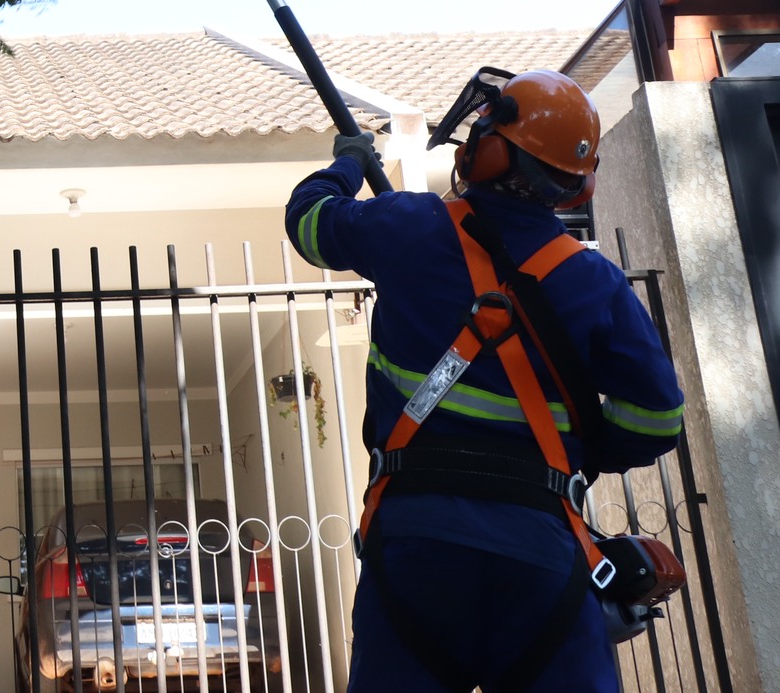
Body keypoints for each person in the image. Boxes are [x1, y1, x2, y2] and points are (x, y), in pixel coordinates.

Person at [284, 68, 684, 693]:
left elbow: (310, 222)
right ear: (576, 184)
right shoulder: (595, 279)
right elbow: (657, 418)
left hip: (416, 544)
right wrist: (577, 455)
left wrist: (349, 163)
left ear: (487, 152)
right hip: (541, 549)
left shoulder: (408, 226)